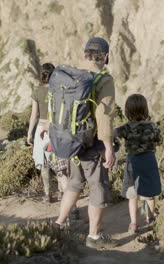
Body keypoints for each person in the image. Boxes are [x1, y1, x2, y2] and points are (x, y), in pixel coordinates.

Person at [54, 37, 118, 249]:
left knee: (74, 183)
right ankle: (94, 236)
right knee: (98, 187)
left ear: (85, 54)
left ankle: (59, 224)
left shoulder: (73, 73)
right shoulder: (103, 79)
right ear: (106, 56)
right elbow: (104, 116)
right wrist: (108, 147)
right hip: (92, 144)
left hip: (72, 141)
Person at [113, 94, 162, 234]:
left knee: (132, 194)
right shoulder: (151, 126)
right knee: (150, 192)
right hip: (148, 160)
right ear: (145, 109)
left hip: (132, 162)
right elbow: (159, 140)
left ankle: (133, 223)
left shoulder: (126, 128)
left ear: (127, 111)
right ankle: (151, 218)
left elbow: (112, 133)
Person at [27, 63, 57, 202]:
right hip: (57, 128)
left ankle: (47, 194)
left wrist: (29, 133)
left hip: (41, 129)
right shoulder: (58, 90)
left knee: (44, 162)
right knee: (59, 161)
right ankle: (63, 191)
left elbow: (34, 115)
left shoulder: (37, 91)